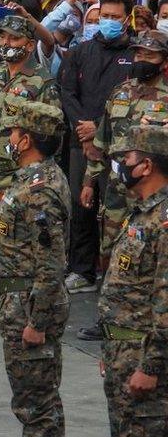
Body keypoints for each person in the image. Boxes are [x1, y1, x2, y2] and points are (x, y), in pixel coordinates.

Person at [85, 124, 168, 437]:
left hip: (144, 359)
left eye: (126, 160)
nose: (119, 167)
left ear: (147, 166)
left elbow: (165, 304)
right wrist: (110, 350)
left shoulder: (163, 220)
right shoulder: (142, 214)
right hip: (124, 351)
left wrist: (150, 366)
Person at [0, 96, 70, 437]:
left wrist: (37, 320)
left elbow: (51, 263)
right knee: (33, 395)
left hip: (29, 304)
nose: (9, 136)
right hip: (17, 298)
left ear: (27, 139)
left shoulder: (40, 191)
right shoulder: (31, 179)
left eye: (15, 131)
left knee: (35, 398)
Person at [76, 31, 168, 343]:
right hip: (116, 191)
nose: (143, 61)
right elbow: (101, 141)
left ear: (163, 62)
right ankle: (106, 318)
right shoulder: (120, 92)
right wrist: (89, 180)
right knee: (110, 254)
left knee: (151, 261)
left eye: (151, 56)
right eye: (139, 55)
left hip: (155, 199)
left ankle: (150, 326)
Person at [0, 15, 62, 316]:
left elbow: (50, 128)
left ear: (30, 44)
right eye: (4, 38)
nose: (7, 44)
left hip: (19, 174)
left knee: (14, 236)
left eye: (15, 38)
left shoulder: (41, 80)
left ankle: (20, 298)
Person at [58, 0, 134, 295]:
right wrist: (84, 131)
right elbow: (67, 93)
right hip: (81, 143)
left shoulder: (135, 55)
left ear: (127, 20)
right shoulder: (81, 52)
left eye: (116, 18)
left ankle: (115, 275)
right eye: (105, 16)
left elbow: (128, 100)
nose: (109, 22)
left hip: (117, 146)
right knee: (82, 205)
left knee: (116, 211)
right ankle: (81, 270)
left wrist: (99, 130)